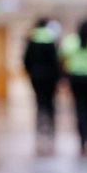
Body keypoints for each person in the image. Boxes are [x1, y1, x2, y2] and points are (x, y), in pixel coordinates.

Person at [60, 19, 87, 156]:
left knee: (80, 109)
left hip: (77, 79)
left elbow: (64, 61)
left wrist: (64, 79)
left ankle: (84, 139)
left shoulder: (70, 42)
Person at [23, 17, 61, 155]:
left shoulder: (31, 39)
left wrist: (30, 72)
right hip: (50, 77)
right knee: (50, 101)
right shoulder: (51, 39)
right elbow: (55, 61)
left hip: (36, 76)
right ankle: (50, 124)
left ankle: (41, 122)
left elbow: (26, 59)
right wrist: (58, 79)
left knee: (39, 100)